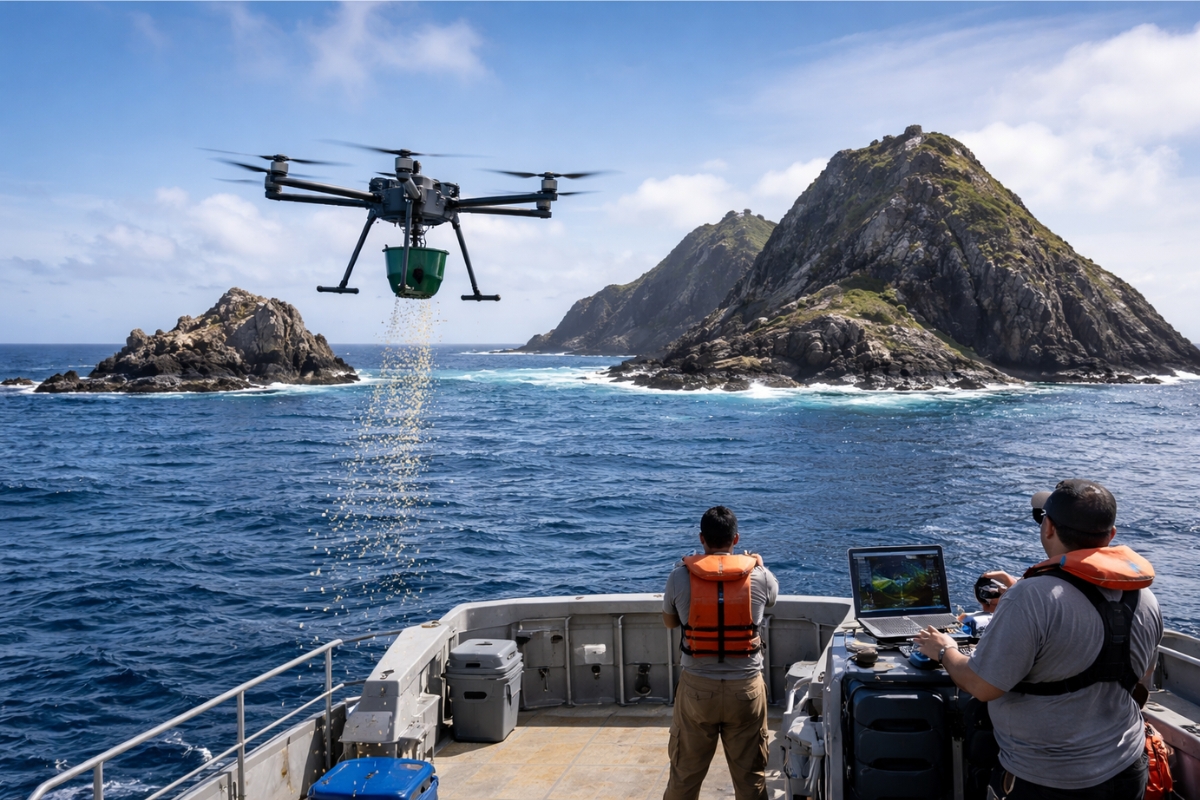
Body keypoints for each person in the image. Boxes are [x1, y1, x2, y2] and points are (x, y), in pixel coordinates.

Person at [916, 479, 1163, 800]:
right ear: (1111, 535)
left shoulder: (1030, 598)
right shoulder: (1144, 597)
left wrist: (944, 649)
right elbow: (1140, 679)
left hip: (1048, 781)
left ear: (1047, 527)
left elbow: (981, 685)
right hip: (1126, 771)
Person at [661, 506, 779, 800]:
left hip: (697, 690)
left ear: (701, 539)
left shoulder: (679, 577)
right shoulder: (761, 577)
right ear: (736, 539)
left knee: (684, 775)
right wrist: (759, 565)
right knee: (751, 779)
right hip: (746, 690)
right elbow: (772, 601)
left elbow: (669, 621)